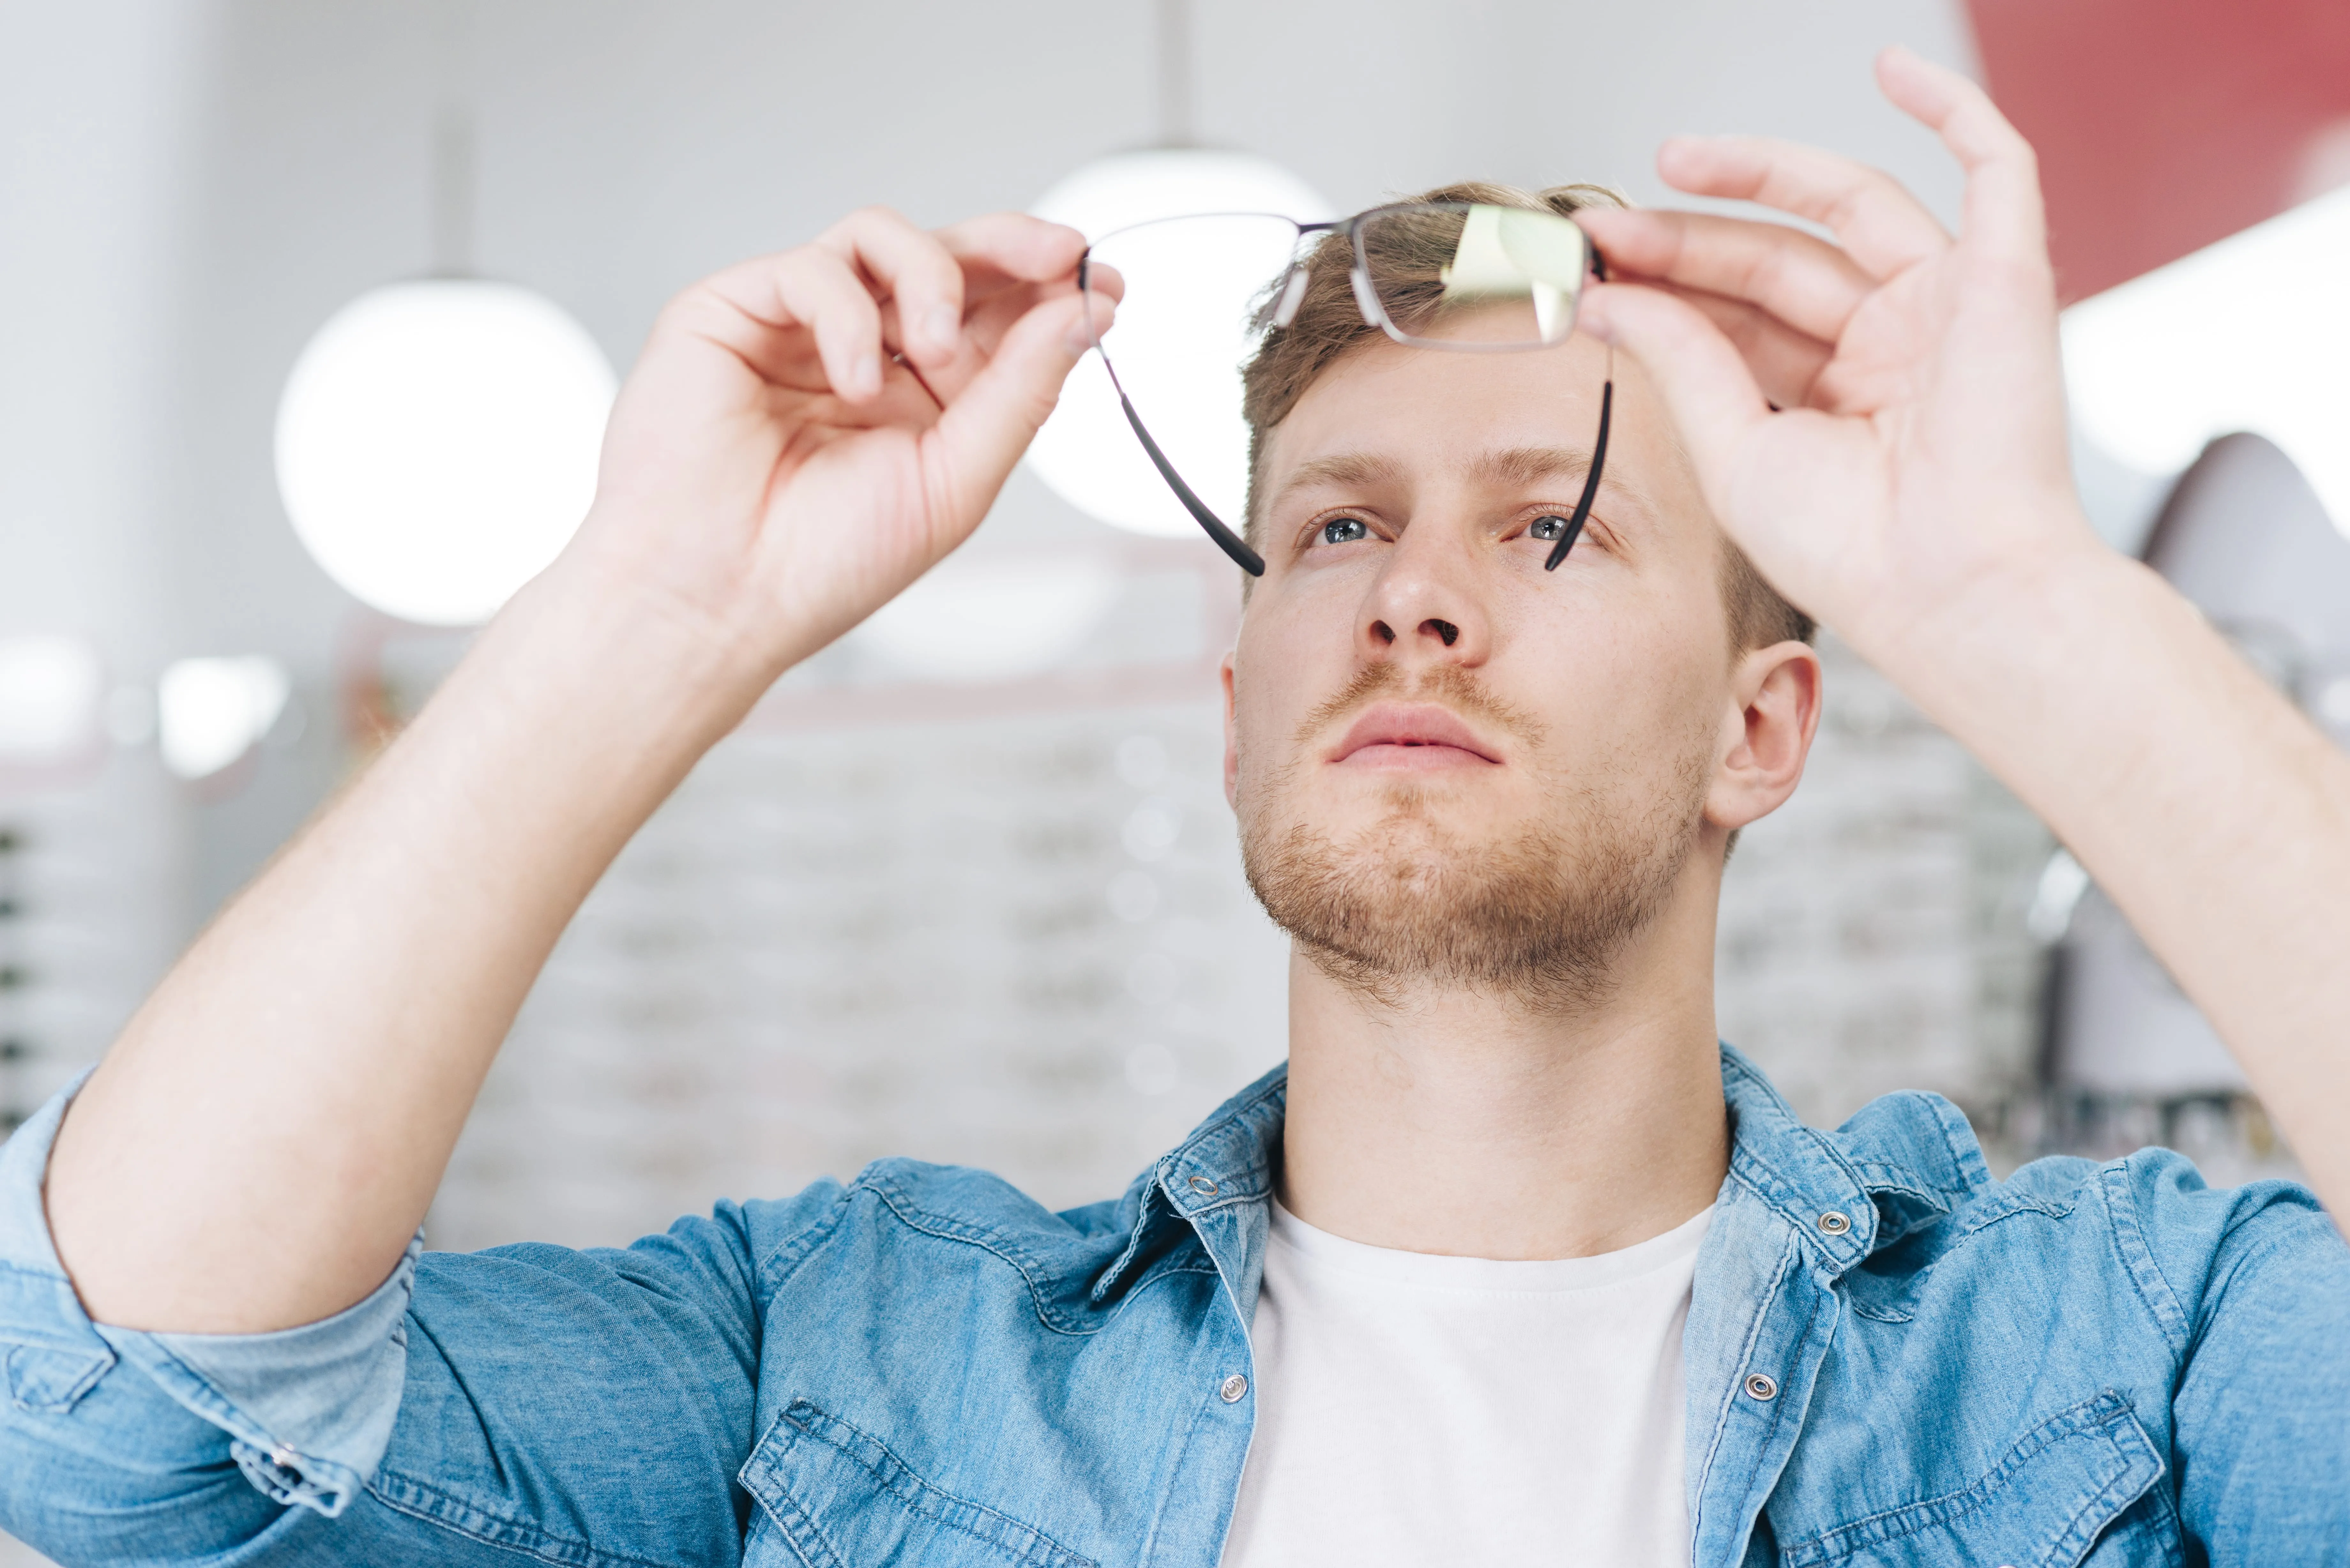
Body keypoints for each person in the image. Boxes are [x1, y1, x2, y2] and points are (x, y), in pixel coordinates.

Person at [3, 45, 2346, 1568]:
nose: (1417, 602)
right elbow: (120, 1421)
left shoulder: (2117, 1346)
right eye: (1337, 527)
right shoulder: (843, 1362)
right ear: (1236, 706)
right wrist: (651, 609)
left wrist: (2024, 595)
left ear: (1769, 724)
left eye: (1550, 521)